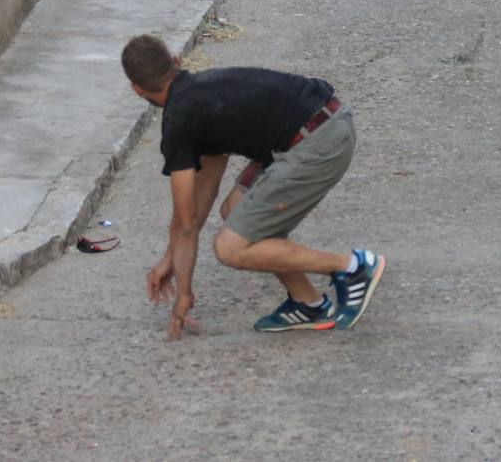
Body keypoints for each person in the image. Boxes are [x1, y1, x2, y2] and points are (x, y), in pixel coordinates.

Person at [121, 35, 386, 337]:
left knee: (230, 248)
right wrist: (171, 261)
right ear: (177, 61)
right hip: (322, 121)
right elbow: (198, 203)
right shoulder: (203, 92)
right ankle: (309, 303)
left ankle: (352, 267)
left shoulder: (179, 122)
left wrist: (184, 294)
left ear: (136, 89)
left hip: (318, 142)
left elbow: (182, 223)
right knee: (236, 211)